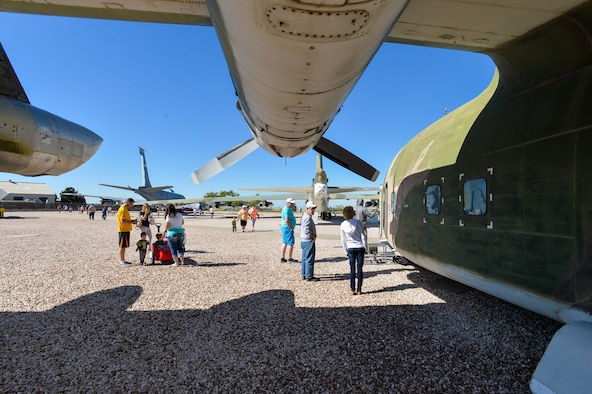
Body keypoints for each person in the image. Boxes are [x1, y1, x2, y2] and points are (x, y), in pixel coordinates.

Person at [341, 205, 369, 295]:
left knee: (352, 269)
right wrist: (366, 248)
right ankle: (359, 289)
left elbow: (343, 239)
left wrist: (345, 250)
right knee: (360, 269)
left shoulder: (343, 224)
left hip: (350, 247)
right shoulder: (358, 222)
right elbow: (362, 236)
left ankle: (352, 289)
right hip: (360, 247)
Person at [300, 201, 319, 281]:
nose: (313, 210)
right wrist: (313, 236)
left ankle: (304, 274)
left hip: (304, 240)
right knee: (309, 259)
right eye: (311, 208)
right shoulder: (307, 217)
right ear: (307, 208)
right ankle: (309, 276)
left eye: (314, 208)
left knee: (304, 258)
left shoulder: (305, 216)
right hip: (308, 240)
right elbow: (307, 230)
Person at [117, 198, 137, 267]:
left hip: (125, 230)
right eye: (132, 203)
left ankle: (123, 260)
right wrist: (132, 222)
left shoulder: (125, 209)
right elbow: (123, 221)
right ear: (128, 202)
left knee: (124, 246)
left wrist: (132, 221)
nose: (132, 205)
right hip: (123, 230)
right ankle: (121, 261)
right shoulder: (122, 209)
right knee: (122, 246)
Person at [280, 198, 298, 263]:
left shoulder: (286, 209)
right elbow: (287, 220)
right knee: (291, 243)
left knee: (284, 242)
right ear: (287, 203)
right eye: (291, 203)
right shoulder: (287, 210)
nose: (293, 204)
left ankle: (282, 258)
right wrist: (290, 228)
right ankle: (290, 258)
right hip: (287, 228)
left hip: (284, 227)